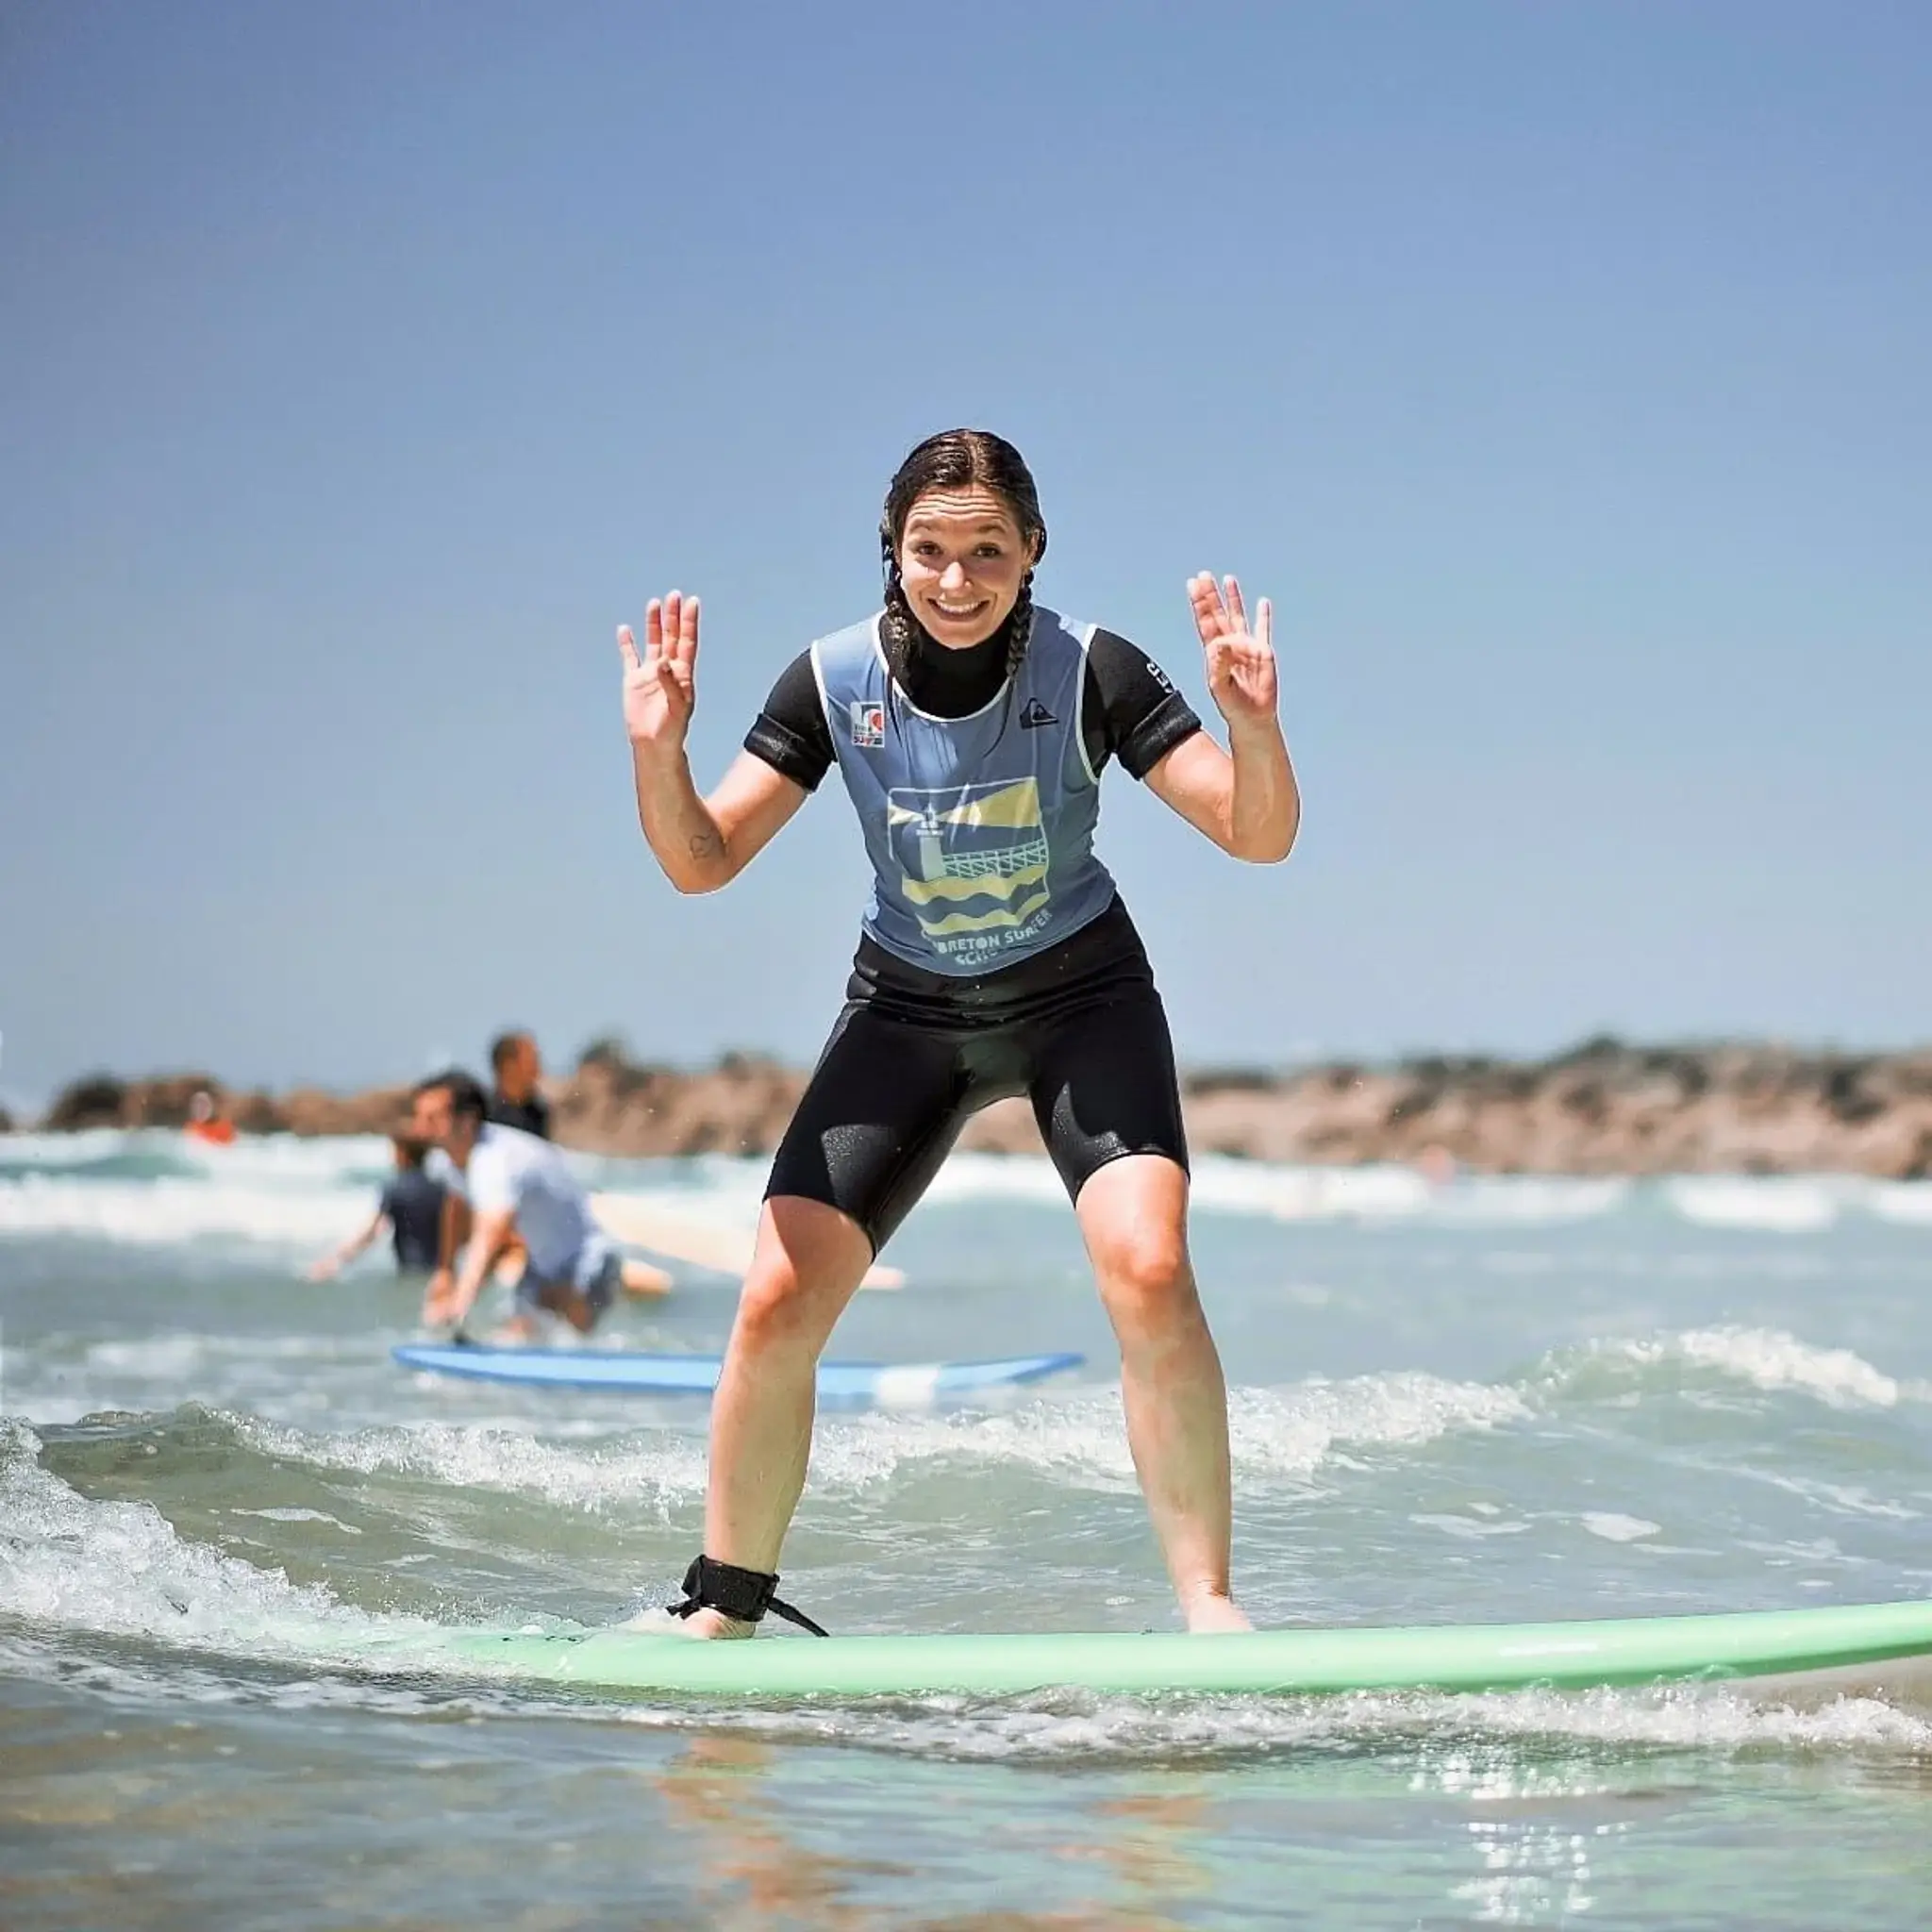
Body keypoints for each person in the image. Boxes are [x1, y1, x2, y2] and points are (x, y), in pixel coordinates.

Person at [618, 428, 1300, 1639]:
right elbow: (700, 860)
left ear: (1031, 549)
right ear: (891, 550)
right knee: (773, 1298)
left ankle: (1208, 1604)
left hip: (1078, 997)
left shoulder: (1089, 667)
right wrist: (657, 753)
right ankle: (723, 1604)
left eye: (986, 549)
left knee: (1149, 1269)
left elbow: (1256, 834)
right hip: (907, 1012)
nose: (955, 577)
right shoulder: (833, 680)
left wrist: (1252, 728)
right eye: (928, 548)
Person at [410, 1070, 622, 1341]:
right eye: (419, 1117)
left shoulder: (493, 1160)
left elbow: (493, 1230)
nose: (420, 1128)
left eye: (432, 1118)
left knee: (578, 1342)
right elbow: (457, 1204)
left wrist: (462, 1300)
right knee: (517, 1336)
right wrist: (445, 1270)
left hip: (589, 1259)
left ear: (466, 1121)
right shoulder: (447, 1159)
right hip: (541, 1266)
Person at [308, 1133, 447, 1279]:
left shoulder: (394, 1189)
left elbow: (371, 1233)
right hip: (438, 1271)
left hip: (409, 1270)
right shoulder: (440, 1188)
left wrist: (335, 1260)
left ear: (403, 1154)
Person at [486, 1030, 553, 1140]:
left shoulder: (540, 1115)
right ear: (508, 1066)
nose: (537, 1071)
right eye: (531, 1063)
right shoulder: (485, 1116)